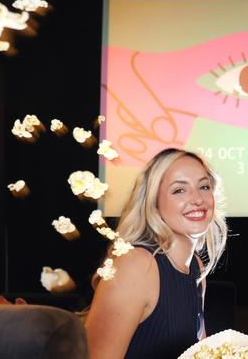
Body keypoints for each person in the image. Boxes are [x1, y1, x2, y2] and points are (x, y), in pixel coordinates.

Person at [85, 148, 228, 359]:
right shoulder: (135, 265)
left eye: (204, 186)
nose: (198, 199)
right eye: (179, 190)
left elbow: (200, 353)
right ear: (154, 203)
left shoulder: (195, 266)